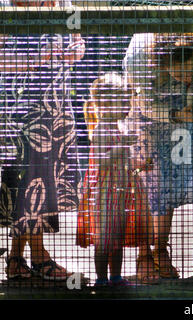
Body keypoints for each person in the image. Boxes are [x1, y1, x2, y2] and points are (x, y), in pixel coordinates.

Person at [0, 0, 85, 280]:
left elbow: (80, 43)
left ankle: (16, 258)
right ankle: (39, 257)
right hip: (20, 115)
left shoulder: (63, 4)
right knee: (26, 183)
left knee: (41, 182)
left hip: (55, 112)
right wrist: (35, 59)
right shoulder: (5, 6)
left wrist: (75, 51)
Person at [123, 33, 193, 282]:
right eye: (181, 73)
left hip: (181, 117)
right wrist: (178, 115)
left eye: (191, 70)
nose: (187, 77)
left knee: (166, 185)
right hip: (145, 120)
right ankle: (143, 254)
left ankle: (161, 249)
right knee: (145, 182)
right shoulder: (139, 61)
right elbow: (143, 105)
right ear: (163, 64)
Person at [77, 72, 152, 286]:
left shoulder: (120, 127)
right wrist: (122, 146)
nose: (127, 106)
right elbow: (102, 161)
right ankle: (101, 279)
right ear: (107, 104)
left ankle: (116, 276)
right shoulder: (102, 130)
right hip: (105, 195)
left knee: (117, 237)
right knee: (104, 240)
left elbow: (125, 163)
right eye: (123, 102)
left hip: (122, 194)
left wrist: (140, 166)